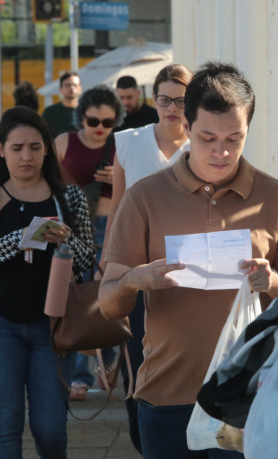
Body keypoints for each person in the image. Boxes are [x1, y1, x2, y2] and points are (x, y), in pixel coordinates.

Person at [98, 62, 278, 459]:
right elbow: (109, 305)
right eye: (208, 137)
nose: (221, 151)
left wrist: (272, 283)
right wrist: (134, 281)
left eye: (234, 138)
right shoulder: (144, 197)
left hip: (251, 396)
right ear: (186, 127)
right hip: (167, 394)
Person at [0, 107, 94, 458]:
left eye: (35, 147)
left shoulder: (70, 198)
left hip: (55, 327)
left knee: (50, 429)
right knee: (6, 425)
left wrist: (66, 239)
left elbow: (88, 263)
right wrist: (19, 239)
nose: (26, 156)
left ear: (46, 149)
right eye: (17, 147)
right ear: (0, 149)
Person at [103, 62, 193, 453]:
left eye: (182, 100)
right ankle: (144, 434)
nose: (172, 108)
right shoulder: (129, 141)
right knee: (140, 355)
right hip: (139, 269)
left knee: (186, 355)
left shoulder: (204, 143)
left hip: (191, 271)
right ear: (152, 100)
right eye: (165, 99)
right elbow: (117, 209)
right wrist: (109, 271)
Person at [53, 85, 121, 400]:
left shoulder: (120, 147)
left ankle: (99, 365)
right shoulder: (64, 142)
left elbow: (135, 192)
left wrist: (118, 178)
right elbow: (46, 182)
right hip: (68, 228)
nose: (99, 129)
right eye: (93, 121)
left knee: (102, 298)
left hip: (107, 228)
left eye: (108, 123)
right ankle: (83, 371)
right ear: (81, 117)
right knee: (76, 300)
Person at [42, 71, 81, 137]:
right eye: (67, 85)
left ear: (80, 88)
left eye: (75, 85)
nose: (72, 88)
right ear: (60, 89)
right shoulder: (50, 112)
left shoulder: (86, 112)